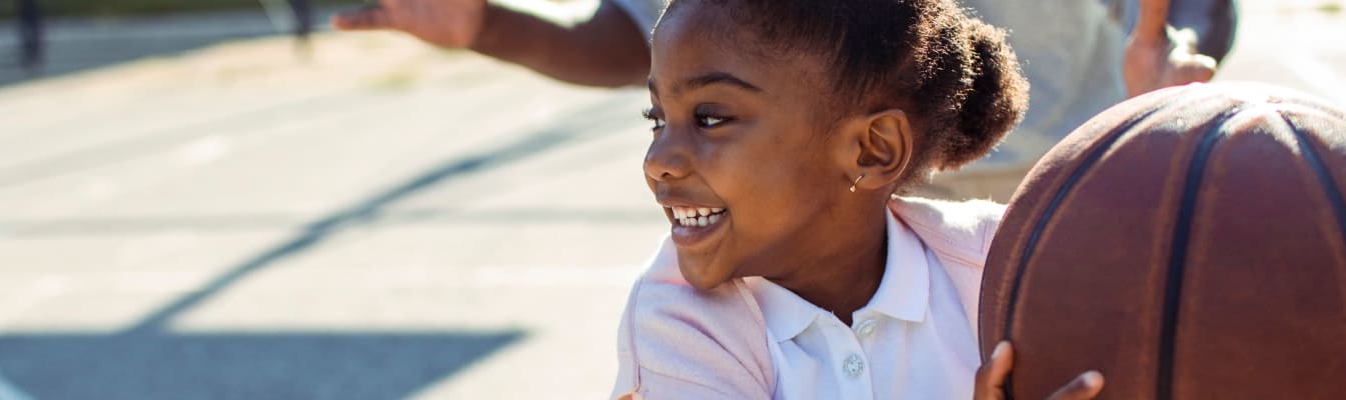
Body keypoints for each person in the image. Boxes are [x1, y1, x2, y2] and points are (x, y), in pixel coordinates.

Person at [613, 0, 1099, 398]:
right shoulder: (677, 323)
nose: (659, 160)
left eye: (710, 117)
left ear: (872, 149)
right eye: (657, 119)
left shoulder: (1003, 266)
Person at [333, 0, 1232, 201]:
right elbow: (648, 33)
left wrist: (1180, 64)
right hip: (847, 199)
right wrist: (486, 26)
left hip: (1081, 166)